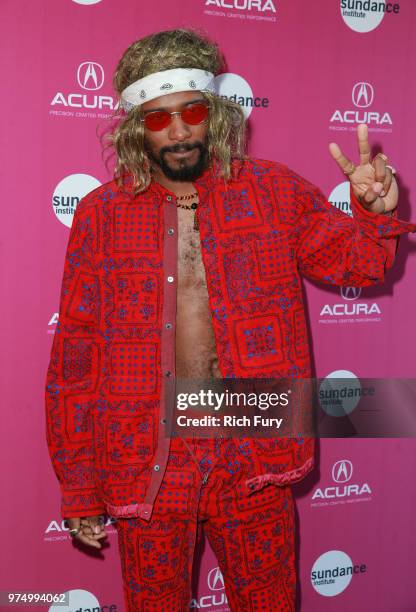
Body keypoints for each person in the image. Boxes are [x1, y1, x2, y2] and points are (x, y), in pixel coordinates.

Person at [45, 28, 415, 611]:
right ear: (136, 127)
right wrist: (79, 487)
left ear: (212, 112)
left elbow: (360, 264)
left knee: (268, 601)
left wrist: (374, 215)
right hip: (149, 452)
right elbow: (76, 356)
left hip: (253, 442)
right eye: (158, 118)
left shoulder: (273, 192)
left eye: (191, 111)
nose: (179, 130)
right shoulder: (101, 216)